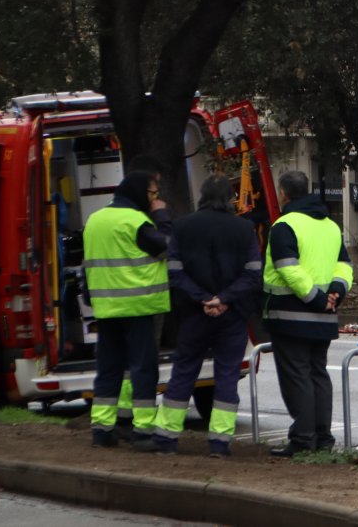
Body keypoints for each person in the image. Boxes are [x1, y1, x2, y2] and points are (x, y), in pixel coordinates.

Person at [147, 175, 262, 457]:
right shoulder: (244, 229)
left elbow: (174, 272)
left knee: (184, 371)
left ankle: (166, 438)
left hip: (194, 314)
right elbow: (253, 274)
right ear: (229, 198)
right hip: (232, 315)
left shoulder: (182, 227)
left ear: (202, 195)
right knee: (226, 374)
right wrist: (223, 299)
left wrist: (202, 299)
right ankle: (220, 442)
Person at [262, 170, 352, 457]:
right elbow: (344, 266)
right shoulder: (330, 226)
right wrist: (334, 293)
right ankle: (322, 437)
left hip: (291, 317)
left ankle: (303, 439)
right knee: (318, 375)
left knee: (296, 377)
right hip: (324, 317)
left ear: (284, 194)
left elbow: (288, 267)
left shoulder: (284, 225)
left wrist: (316, 299)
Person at [84, 170, 171, 449]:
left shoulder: (95, 220)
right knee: (143, 369)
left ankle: (102, 430)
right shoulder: (136, 221)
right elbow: (169, 247)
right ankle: (143, 431)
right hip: (138, 306)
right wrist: (162, 217)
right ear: (139, 192)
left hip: (107, 308)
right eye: (153, 193)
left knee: (109, 369)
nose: (155, 199)